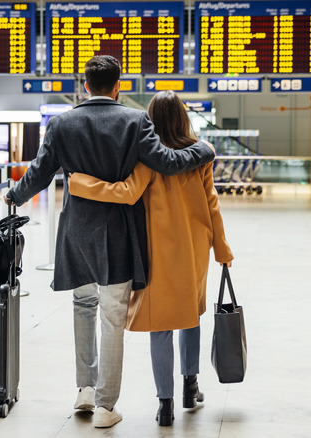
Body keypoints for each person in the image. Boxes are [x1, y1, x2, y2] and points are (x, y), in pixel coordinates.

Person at [4, 55, 215, 428]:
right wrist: (203, 150)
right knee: (113, 315)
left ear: (86, 85)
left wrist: (14, 196)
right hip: (117, 231)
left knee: (82, 306)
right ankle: (105, 406)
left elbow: (39, 173)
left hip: (77, 232)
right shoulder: (135, 121)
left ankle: (84, 389)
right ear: (118, 86)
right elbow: (166, 162)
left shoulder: (62, 123)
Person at [67, 90, 234, 427]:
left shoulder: (147, 158)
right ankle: (191, 385)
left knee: (161, 325)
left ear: (151, 120)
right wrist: (221, 248)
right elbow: (211, 203)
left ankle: (166, 404)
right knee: (190, 315)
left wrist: (82, 184)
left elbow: (126, 193)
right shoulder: (201, 154)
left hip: (155, 250)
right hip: (193, 249)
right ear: (184, 117)